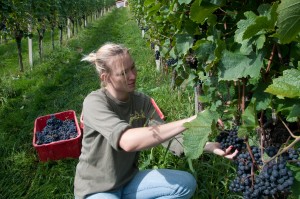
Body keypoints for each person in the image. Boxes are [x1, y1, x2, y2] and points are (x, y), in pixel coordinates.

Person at [74, 42, 238, 199]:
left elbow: (169, 139)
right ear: (106, 77)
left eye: (133, 68)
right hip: (96, 189)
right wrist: (191, 120)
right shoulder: (94, 102)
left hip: (128, 181)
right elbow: (127, 141)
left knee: (185, 184)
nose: (132, 76)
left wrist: (209, 146)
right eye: (123, 73)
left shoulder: (142, 101)